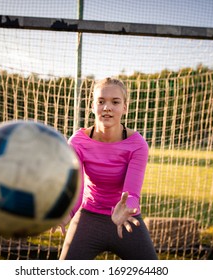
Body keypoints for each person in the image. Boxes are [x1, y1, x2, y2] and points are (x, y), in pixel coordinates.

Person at [57, 77, 157, 260]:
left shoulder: (137, 144)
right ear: (92, 106)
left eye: (115, 102)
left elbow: (132, 194)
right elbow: (77, 190)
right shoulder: (77, 142)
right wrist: (67, 214)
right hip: (88, 218)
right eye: (101, 101)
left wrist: (127, 209)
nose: (107, 107)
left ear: (125, 107)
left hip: (125, 219)